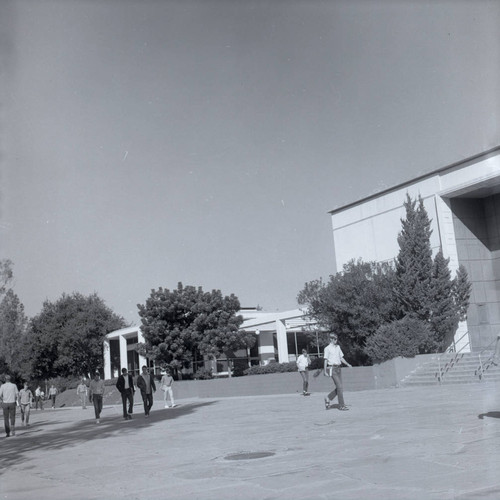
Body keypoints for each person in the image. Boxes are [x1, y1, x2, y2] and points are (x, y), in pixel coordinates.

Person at [323, 333, 352, 411]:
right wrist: (325, 371)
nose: (336, 340)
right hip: (332, 369)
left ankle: (328, 398)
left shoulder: (338, 347)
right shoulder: (327, 348)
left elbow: (341, 358)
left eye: (336, 339)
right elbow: (325, 360)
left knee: (340, 388)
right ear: (331, 339)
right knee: (339, 387)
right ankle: (341, 405)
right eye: (334, 339)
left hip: (339, 368)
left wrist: (347, 364)